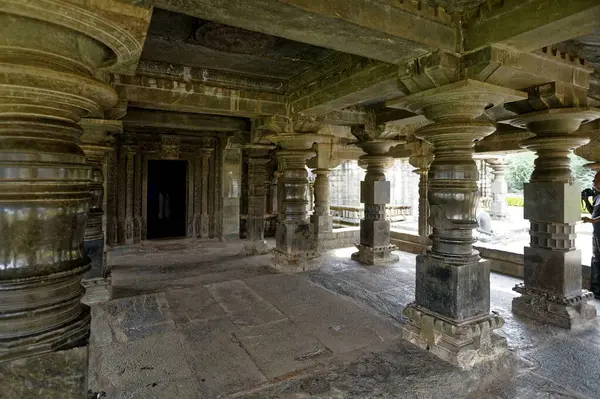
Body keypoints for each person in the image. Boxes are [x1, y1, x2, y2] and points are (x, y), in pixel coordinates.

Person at [581, 171, 600, 297]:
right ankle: (596, 290)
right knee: (596, 260)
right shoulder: (598, 197)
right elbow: (593, 212)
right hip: (597, 233)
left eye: (596, 179)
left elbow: (595, 217)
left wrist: (592, 220)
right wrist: (586, 200)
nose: (593, 181)